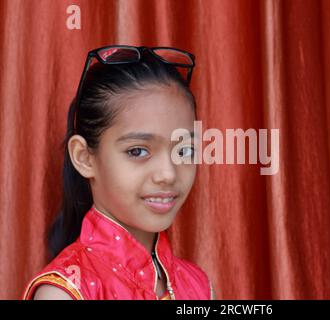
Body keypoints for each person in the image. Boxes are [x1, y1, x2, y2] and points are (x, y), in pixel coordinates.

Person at [22, 45, 215, 300]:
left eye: (184, 151)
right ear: (84, 157)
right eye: (138, 151)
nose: (168, 174)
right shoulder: (63, 293)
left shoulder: (197, 284)